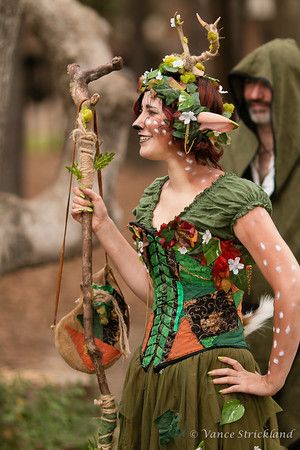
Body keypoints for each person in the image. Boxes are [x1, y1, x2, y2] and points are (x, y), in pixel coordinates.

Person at [71, 16, 300, 450]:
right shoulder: (152, 196)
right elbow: (154, 290)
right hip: (150, 381)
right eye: (140, 111)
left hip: (211, 381)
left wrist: (272, 379)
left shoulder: (234, 196)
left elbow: (292, 283)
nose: (138, 122)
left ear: (186, 124)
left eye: (150, 112)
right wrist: (102, 225)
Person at [222, 39, 300, 449]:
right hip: (246, 325)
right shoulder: (232, 154)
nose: (253, 94)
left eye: (264, 84)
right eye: (248, 84)